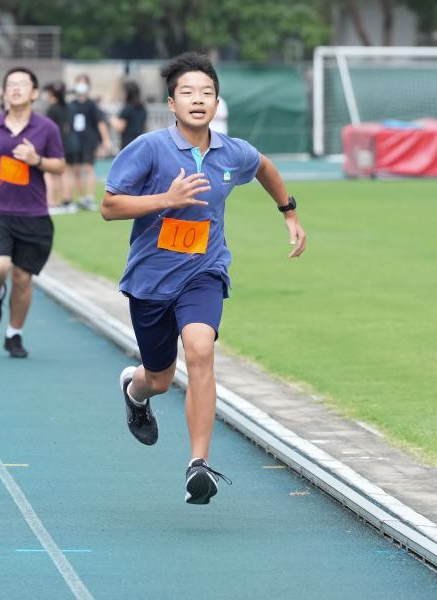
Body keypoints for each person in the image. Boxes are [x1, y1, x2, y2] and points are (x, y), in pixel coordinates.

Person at [100, 53, 306, 505]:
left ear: (217, 102)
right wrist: (164, 199)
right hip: (151, 280)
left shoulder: (233, 152)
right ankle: (135, 393)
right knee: (158, 376)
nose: (198, 100)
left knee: (200, 350)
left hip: (203, 273)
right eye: (188, 93)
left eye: (207, 93)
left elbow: (266, 168)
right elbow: (109, 206)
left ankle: (199, 465)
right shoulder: (149, 148)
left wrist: (288, 212)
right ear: (172, 103)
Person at [0, 67, 66, 358]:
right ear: (4, 92)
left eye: (22, 84)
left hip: (33, 213)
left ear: (34, 93)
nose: (16, 88)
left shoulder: (46, 128)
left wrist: (37, 160)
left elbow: (59, 165)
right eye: (10, 84)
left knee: (23, 278)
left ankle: (14, 334)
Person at [64, 74, 111, 211]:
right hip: (74, 141)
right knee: (76, 170)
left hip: (89, 140)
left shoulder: (91, 105)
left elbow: (100, 122)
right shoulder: (71, 105)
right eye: (79, 83)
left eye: (83, 83)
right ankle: (82, 197)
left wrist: (106, 139)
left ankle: (90, 197)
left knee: (89, 168)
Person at [42, 81, 74, 214]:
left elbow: (48, 129)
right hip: (67, 142)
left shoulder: (52, 109)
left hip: (54, 144)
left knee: (51, 174)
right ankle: (67, 200)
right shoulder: (67, 107)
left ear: (51, 93)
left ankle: (52, 202)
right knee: (66, 173)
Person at [111, 80, 148, 150]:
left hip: (127, 144)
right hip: (140, 143)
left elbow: (120, 128)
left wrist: (112, 120)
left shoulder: (127, 108)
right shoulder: (143, 108)